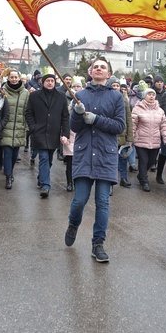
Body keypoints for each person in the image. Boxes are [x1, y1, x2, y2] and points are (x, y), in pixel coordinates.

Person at [65, 56, 126, 262]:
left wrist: (96, 119)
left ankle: (98, 244)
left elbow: (119, 126)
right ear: (90, 72)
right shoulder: (79, 95)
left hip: (106, 156)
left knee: (102, 203)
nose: (99, 69)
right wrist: (76, 113)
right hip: (84, 154)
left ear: (108, 74)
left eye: (103, 67)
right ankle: (73, 224)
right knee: (79, 201)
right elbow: (75, 127)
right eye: (96, 67)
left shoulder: (116, 97)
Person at [24, 73, 70, 198]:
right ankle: (45, 186)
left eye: (52, 81)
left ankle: (41, 177)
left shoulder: (60, 96)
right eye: (47, 81)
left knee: (49, 159)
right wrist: (33, 127)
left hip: (54, 133)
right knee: (43, 157)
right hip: (39, 132)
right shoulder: (34, 96)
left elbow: (65, 116)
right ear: (42, 82)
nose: (50, 83)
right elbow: (28, 113)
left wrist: (65, 133)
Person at [131, 88, 166, 192]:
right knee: (143, 161)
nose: (151, 96)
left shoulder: (160, 110)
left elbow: (164, 126)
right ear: (144, 96)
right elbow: (133, 125)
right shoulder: (137, 109)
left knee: (152, 161)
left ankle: (141, 175)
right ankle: (144, 181)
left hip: (155, 141)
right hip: (140, 140)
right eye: (149, 94)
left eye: (153, 94)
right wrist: (131, 138)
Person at [1, 69, 29, 190]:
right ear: (8, 78)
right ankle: (8, 176)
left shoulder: (25, 93)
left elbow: (28, 111)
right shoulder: (3, 91)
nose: (13, 79)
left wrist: (26, 126)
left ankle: (10, 172)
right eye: (11, 77)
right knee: (7, 153)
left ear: (19, 78)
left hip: (19, 127)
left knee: (14, 155)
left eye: (15, 77)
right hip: (6, 126)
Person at [109, 77, 133, 191]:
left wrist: (130, 137)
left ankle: (123, 178)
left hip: (122, 134)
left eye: (117, 85)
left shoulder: (124, 100)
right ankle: (109, 183)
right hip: (110, 135)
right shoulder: (106, 99)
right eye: (113, 85)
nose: (115, 87)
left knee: (123, 158)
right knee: (110, 160)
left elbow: (128, 118)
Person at [61, 78, 84, 192]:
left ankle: (77, 182)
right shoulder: (68, 109)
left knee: (79, 163)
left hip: (81, 138)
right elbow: (64, 122)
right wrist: (64, 135)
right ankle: (69, 182)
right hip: (70, 137)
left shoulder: (85, 108)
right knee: (70, 163)